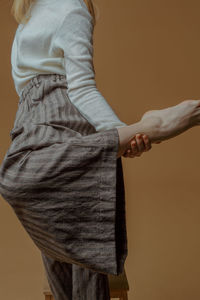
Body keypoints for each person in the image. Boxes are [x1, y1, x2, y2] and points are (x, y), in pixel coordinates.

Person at [0, 0, 200, 299]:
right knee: (69, 248)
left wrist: (116, 132)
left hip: (63, 119)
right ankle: (127, 135)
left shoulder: (71, 7)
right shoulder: (28, 12)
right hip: (32, 124)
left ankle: (152, 126)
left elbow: (81, 87)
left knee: (25, 185)